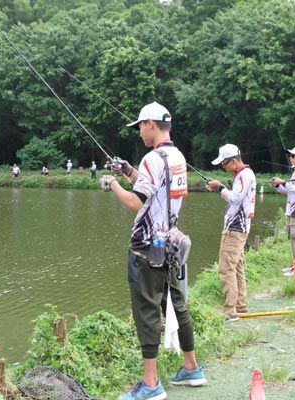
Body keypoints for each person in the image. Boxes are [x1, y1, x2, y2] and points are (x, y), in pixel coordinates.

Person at [99, 102, 206, 400]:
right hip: (170, 245)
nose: (139, 133)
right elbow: (157, 191)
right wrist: (128, 172)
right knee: (176, 305)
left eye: (140, 127)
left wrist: (111, 184)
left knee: (147, 312)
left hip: (146, 248)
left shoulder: (152, 157)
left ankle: (150, 385)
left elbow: (136, 202)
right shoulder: (176, 156)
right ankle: (191, 367)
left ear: (150, 123)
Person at [206, 144, 256, 321]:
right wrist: (220, 186)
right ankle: (241, 305)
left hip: (235, 230)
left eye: (224, 163)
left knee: (226, 269)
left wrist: (219, 187)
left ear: (233, 160)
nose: (223, 167)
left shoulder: (244, 175)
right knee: (237, 267)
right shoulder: (244, 175)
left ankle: (230, 311)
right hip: (240, 229)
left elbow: (235, 198)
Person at [271, 146, 295, 275]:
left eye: (293, 156)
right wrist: (278, 186)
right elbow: (289, 191)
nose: (290, 158)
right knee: (293, 238)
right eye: (290, 156)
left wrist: (284, 182)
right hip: (291, 210)